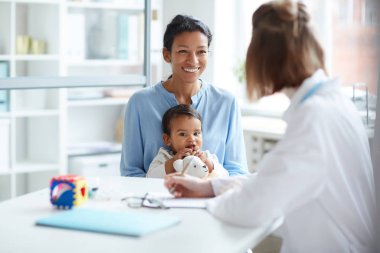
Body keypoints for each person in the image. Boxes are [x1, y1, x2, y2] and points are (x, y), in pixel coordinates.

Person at [164, 1, 377, 252]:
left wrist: (206, 205)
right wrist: (209, 187)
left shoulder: (314, 119)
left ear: (265, 58)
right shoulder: (333, 103)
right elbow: (271, 181)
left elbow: (254, 206)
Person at [120, 14, 248, 177]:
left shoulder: (226, 103)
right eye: (183, 51)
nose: (193, 60)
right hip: (155, 200)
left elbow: (238, 173)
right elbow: (130, 173)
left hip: (211, 200)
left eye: (201, 51)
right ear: (167, 55)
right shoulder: (140, 103)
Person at [147, 104, 229, 178]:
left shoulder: (207, 156)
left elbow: (225, 175)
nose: (192, 139)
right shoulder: (164, 157)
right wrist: (173, 162)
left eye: (196, 133)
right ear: (167, 139)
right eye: (183, 134)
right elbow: (150, 177)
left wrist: (208, 163)